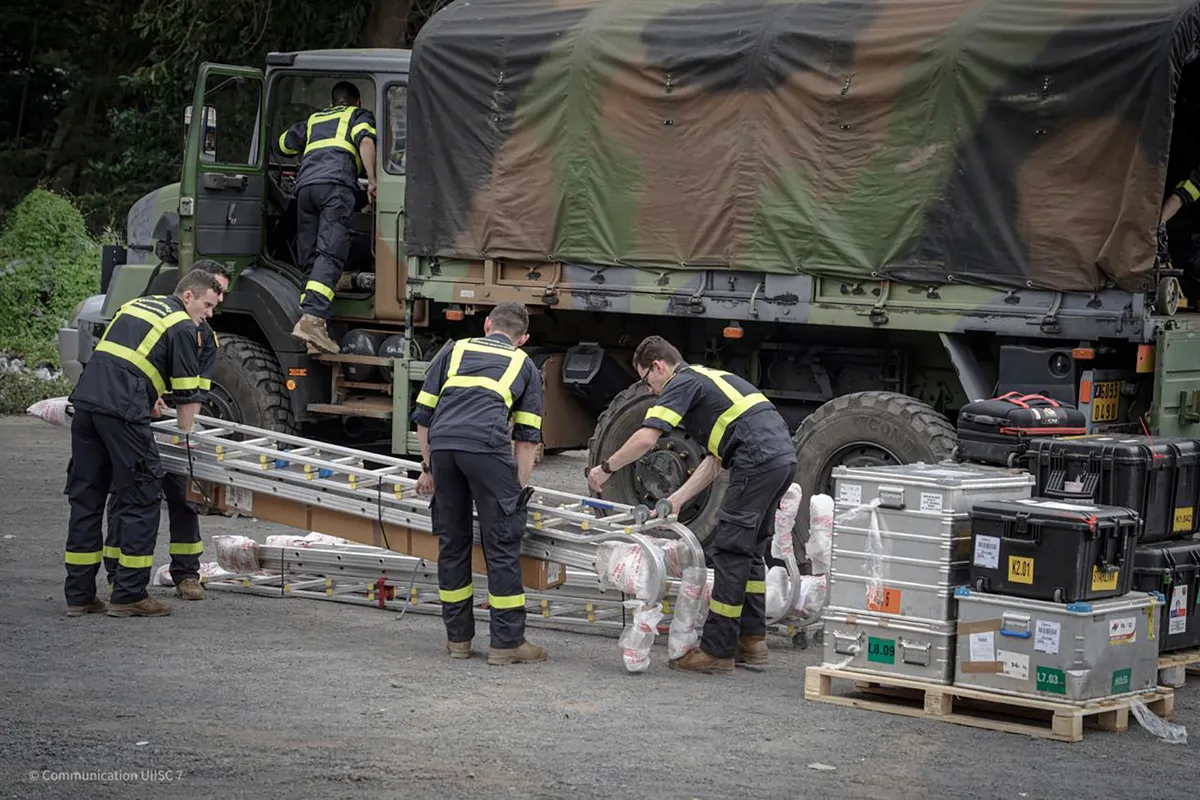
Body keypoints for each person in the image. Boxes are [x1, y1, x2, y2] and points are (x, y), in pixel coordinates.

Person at [586, 336, 797, 675]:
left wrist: (604, 468)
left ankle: (717, 651)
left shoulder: (681, 382)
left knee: (728, 551)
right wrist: (677, 498)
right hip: (781, 460)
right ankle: (752, 639)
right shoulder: (712, 381)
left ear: (658, 366)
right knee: (750, 549)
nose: (651, 390)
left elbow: (646, 437)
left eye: (647, 380)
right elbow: (715, 460)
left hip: (756, 463)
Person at [63, 270, 222, 618]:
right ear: (188, 297)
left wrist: (147, 394)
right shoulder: (182, 324)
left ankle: (79, 595)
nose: (208, 314)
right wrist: (186, 434)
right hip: (122, 411)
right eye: (208, 305)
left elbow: (126, 357)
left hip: (88, 404)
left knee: (87, 498)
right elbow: (186, 393)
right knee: (141, 494)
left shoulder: (138, 305)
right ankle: (130, 594)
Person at [411, 302, 546, 665]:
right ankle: (506, 644)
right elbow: (527, 439)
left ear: (487, 325)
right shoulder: (525, 365)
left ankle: (458, 641)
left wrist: (428, 468)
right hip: (486, 447)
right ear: (523, 339)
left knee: (453, 544)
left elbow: (423, 415)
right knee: (500, 545)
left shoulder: (454, 349)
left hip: (444, 448)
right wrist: (512, 495)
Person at [101, 259, 232, 602]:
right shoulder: (165, 314)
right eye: (211, 297)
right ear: (192, 292)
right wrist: (150, 397)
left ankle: (186, 573)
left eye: (219, 299)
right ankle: (118, 572)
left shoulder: (206, 337)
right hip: (135, 414)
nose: (214, 306)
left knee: (182, 496)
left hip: (173, 421)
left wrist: (184, 434)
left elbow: (196, 390)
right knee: (127, 494)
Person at [277, 80, 378, 354]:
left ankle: (312, 332)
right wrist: (371, 180)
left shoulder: (314, 119)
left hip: (306, 189)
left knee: (309, 256)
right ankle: (313, 320)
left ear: (332, 103)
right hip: (335, 187)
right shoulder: (357, 116)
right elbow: (366, 142)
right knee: (331, 252)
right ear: (356, 102)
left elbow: (284, 145)